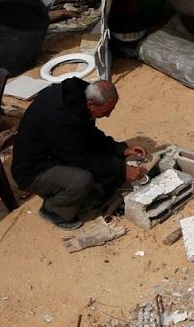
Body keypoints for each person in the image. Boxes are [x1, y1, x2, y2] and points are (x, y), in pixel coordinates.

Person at [9, 77, 146, 231]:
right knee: (82, 180)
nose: (108, 116)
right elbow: (79, 159)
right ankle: (53, 211)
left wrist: (120, 149)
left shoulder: (78, 101)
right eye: (107, 111)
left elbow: (88, 134)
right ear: (91, 104)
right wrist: (121, 170)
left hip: (53, 155)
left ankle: (63, 190)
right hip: (32, 170)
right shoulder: (63, 117)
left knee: (99, 175)